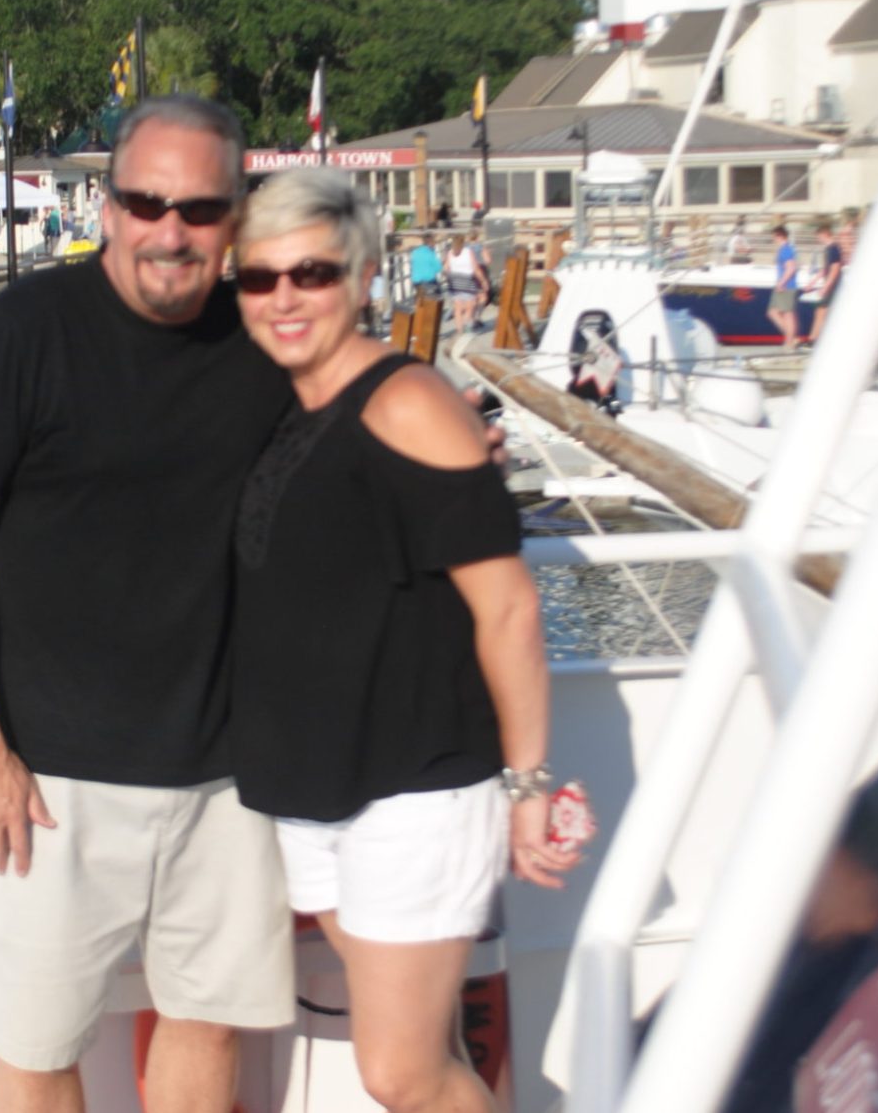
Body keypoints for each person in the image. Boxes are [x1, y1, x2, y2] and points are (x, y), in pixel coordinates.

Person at [0, 95, 297, 1113]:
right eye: (146, 201)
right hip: (45, 780)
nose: (171, 231)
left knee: (207, 1026)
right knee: (36, 1045)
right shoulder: (19, 335)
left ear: (235, 216)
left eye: (201, 210)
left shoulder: (272, 338)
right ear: (108, 207)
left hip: (229, 772)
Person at [229, 168, 576, 1113]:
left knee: (399, 1071)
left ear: (367, 273)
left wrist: (529, 784)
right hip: (318, 784)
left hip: (413, 786)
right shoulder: (291, 408)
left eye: (313, 272)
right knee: (424, 1054)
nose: (285, 297)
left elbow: (508, 608)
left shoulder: (409, 401)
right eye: (259, 279)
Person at [444, 232, 490, 335]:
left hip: (454, 280)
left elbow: (446, 268)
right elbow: (475, 268)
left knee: (457, 308)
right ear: (463, 242)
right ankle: (467, 326)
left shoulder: (450, 252)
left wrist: (450, 275)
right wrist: (483, 280)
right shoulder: (468, 252)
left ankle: (459, 330)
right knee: (470, 306)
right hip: (467, 280)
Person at [808, 221, 844, 344]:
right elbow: (825, 269)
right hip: (830, 285)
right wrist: (813, 282)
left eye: (819, 236)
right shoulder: (829, 249)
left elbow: (835, 269)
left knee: (821, 311)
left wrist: (826, 287)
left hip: (832, 286)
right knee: (820, 311)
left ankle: (814, 340)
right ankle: (814, 339)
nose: (818, 239)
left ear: (824, 234)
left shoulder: (833, 248)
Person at [768, 224, 800, 350]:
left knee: (788, 314)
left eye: (774, 237)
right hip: (783, 285)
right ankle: (791, 338)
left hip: (786, 286)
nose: (773, 240)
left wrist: (781, 283)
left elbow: (791, 268)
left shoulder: (786, 249)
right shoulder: (786, 249)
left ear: (779, 236)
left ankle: (789, 342)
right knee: (772, 312)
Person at [408, 232, 442, 297]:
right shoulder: (430, 253)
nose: (434, 244)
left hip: (416, 283)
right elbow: (438, 268)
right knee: (439, 294)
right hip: (428, 282)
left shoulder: (415, 252)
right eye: (434, 242)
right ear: (430, 242)